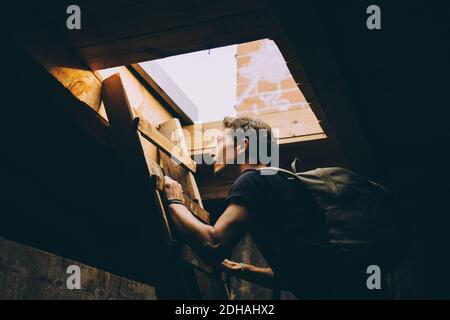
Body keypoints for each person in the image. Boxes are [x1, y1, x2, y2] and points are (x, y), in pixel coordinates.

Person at [163, 116, 372, 299]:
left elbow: (213, 246)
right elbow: (299, 276)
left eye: (219, 141)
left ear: (243, 145)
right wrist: (239, 268)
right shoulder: (281, 182)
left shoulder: (252, 180)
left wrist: (174, 201)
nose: (211, 151)